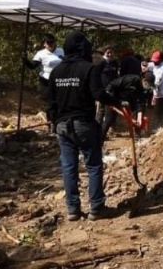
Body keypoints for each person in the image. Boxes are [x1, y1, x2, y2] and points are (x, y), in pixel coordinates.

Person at [48, 31, 116, 221]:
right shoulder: (89, 68)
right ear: (83, 48)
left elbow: (50, 103)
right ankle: (96, 208)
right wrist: (116, 101)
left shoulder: (56, 71)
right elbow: (98, 94)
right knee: (93, 165)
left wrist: (55, 123)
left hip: (62, 125)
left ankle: (73, 210)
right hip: (84, 124)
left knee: (69, 167)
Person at [23, 33, 64, 103]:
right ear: (44, 44)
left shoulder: (61, 51)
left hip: (59, 80)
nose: (51, 44)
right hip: (46, 81)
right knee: (49, 101)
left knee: (59, 100)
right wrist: (25, 60)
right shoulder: (41, 54)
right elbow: (32, 66)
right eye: (48, 42)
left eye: (52, 42)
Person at [96, 46, 119, 140]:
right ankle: (97, 132)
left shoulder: (114, 63)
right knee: (100, 112)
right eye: (108, 52)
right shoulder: (100, 63)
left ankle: (105, 132)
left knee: (109, 112)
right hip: (102, 90)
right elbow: (96, 77)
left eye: (111, 52)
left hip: (112, 91)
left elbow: (116, 75)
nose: (110, 54)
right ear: (104, 53)